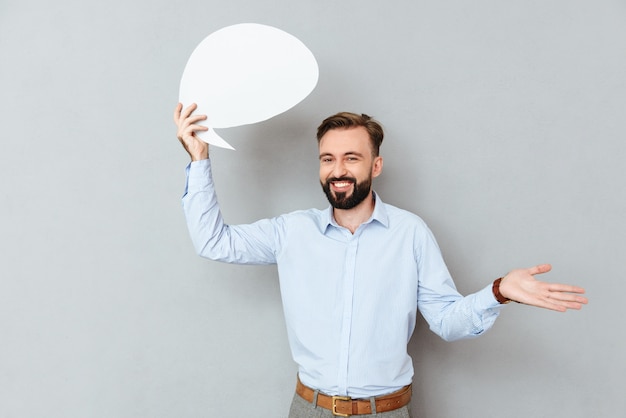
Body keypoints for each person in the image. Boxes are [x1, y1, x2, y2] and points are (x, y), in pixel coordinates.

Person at [174, 103, 588, 418]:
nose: (339, 170)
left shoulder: (411, 234)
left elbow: (446, 321)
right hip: (310, 410)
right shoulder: (291, 232)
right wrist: (199, 160)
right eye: (328, 159)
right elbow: (214, 241)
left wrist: (498, 292)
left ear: (376, 164)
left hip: (385, 413)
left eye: (351, 158)